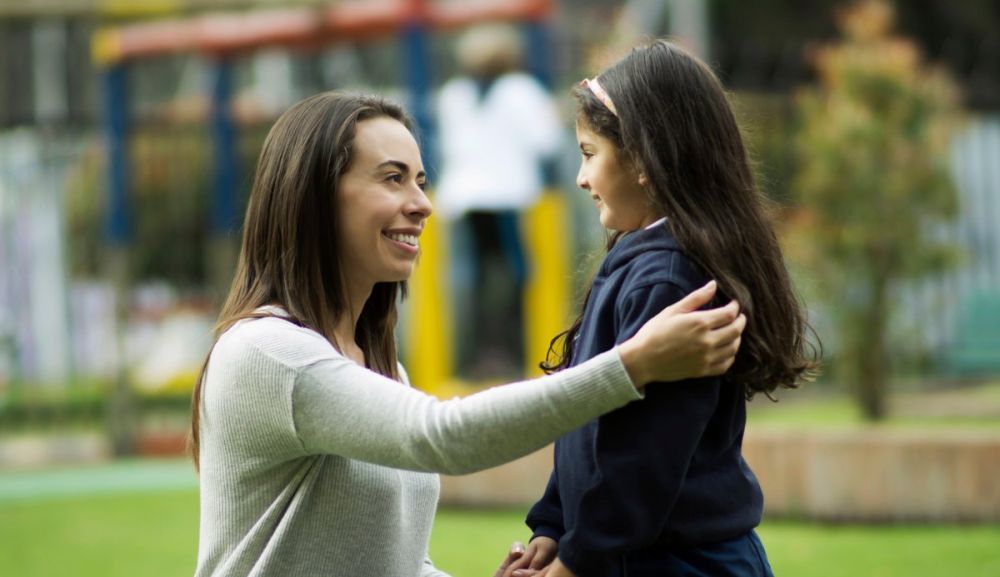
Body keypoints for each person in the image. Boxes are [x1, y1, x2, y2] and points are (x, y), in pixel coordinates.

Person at [189, 91, 747, 577]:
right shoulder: (268, 354)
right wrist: (633, 365)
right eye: (392, 178)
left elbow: (399, 565)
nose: (423, 204)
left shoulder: (379, 369)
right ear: (313, 196)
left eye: (422, 180)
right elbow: (442, 436)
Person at [500, 40, 818, 577]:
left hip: (681, 563)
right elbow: (588, 422)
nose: (581, 179)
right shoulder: (639, 260)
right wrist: (552, 528)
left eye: (589, 153)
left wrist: (576, 560)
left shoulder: (670, 282)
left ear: (644, 161)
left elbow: (645, 457)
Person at [434, 23, 562, 378]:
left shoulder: (453, 94)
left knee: (471, 281)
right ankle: (519, 354)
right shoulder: (523, 91)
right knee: (519, 276)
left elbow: (450, 148)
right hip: (511, 197)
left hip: (463, 199)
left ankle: (476, 359)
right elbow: (546, 143)